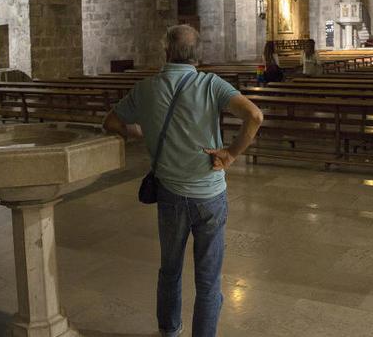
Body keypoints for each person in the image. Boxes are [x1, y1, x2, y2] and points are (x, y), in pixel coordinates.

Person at [103, 25, 264, 337]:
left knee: (170, 270)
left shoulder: (146, 88)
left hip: (171, 195)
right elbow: (254, 116)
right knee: (208, 280)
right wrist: (230, 154)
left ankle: (169, 331)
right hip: (210, 196)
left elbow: (111, 122)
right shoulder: (211, 84)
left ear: (167, 52)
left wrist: (137, 131)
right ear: (198, 54)